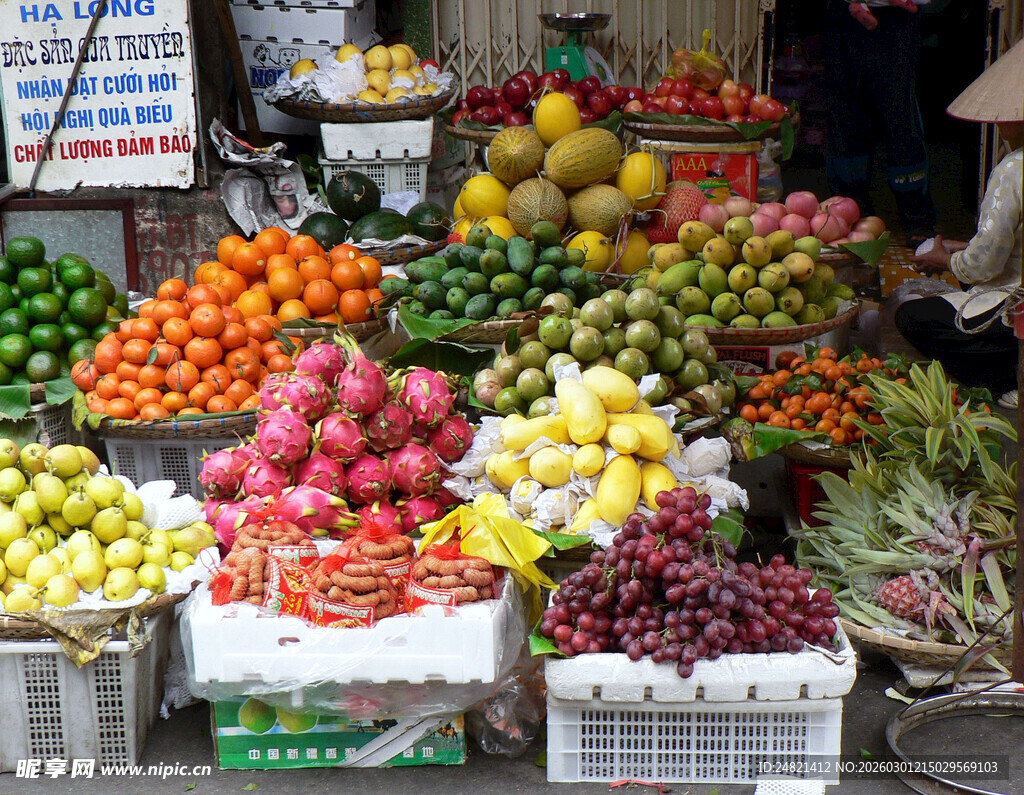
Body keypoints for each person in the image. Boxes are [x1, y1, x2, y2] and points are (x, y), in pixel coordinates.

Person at [898, 38, 1024, 407]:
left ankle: (1005, 379)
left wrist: (947, 261)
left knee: (914, 317)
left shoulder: (1014, 170)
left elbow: (984, 266)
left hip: (1018, 309)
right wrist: (964, 246)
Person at [823, 0, 937, 245]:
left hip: (899, 15)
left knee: (900, 115)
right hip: (845, 15)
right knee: (846, 113)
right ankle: (852, 210)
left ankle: (916, 214)